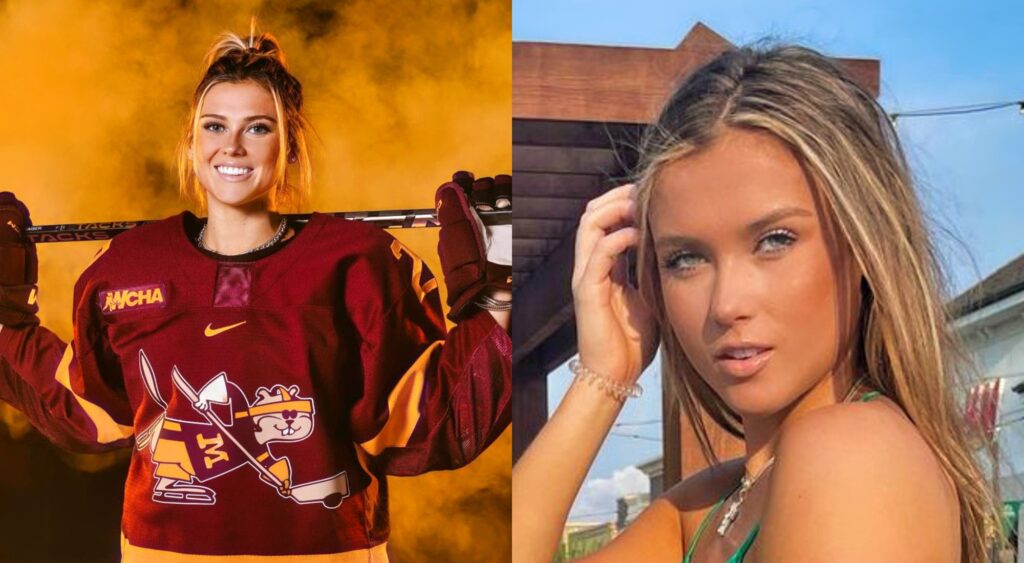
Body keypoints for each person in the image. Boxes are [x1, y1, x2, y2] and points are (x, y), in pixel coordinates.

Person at [0, 29, 511, 562]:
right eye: (215, 126)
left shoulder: (360, 261)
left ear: (289, 147)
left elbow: (426, 423)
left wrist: (498, 298)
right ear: (192, 143)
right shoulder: (125, 266)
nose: (233, 146)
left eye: (258, 128)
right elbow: (86, 407)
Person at [512, 44, 1004, 562]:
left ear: (865, 242)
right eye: (684, 259)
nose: (726, 304)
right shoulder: (709, 508)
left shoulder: (854, 453)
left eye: (775, 240)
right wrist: (603, 376)